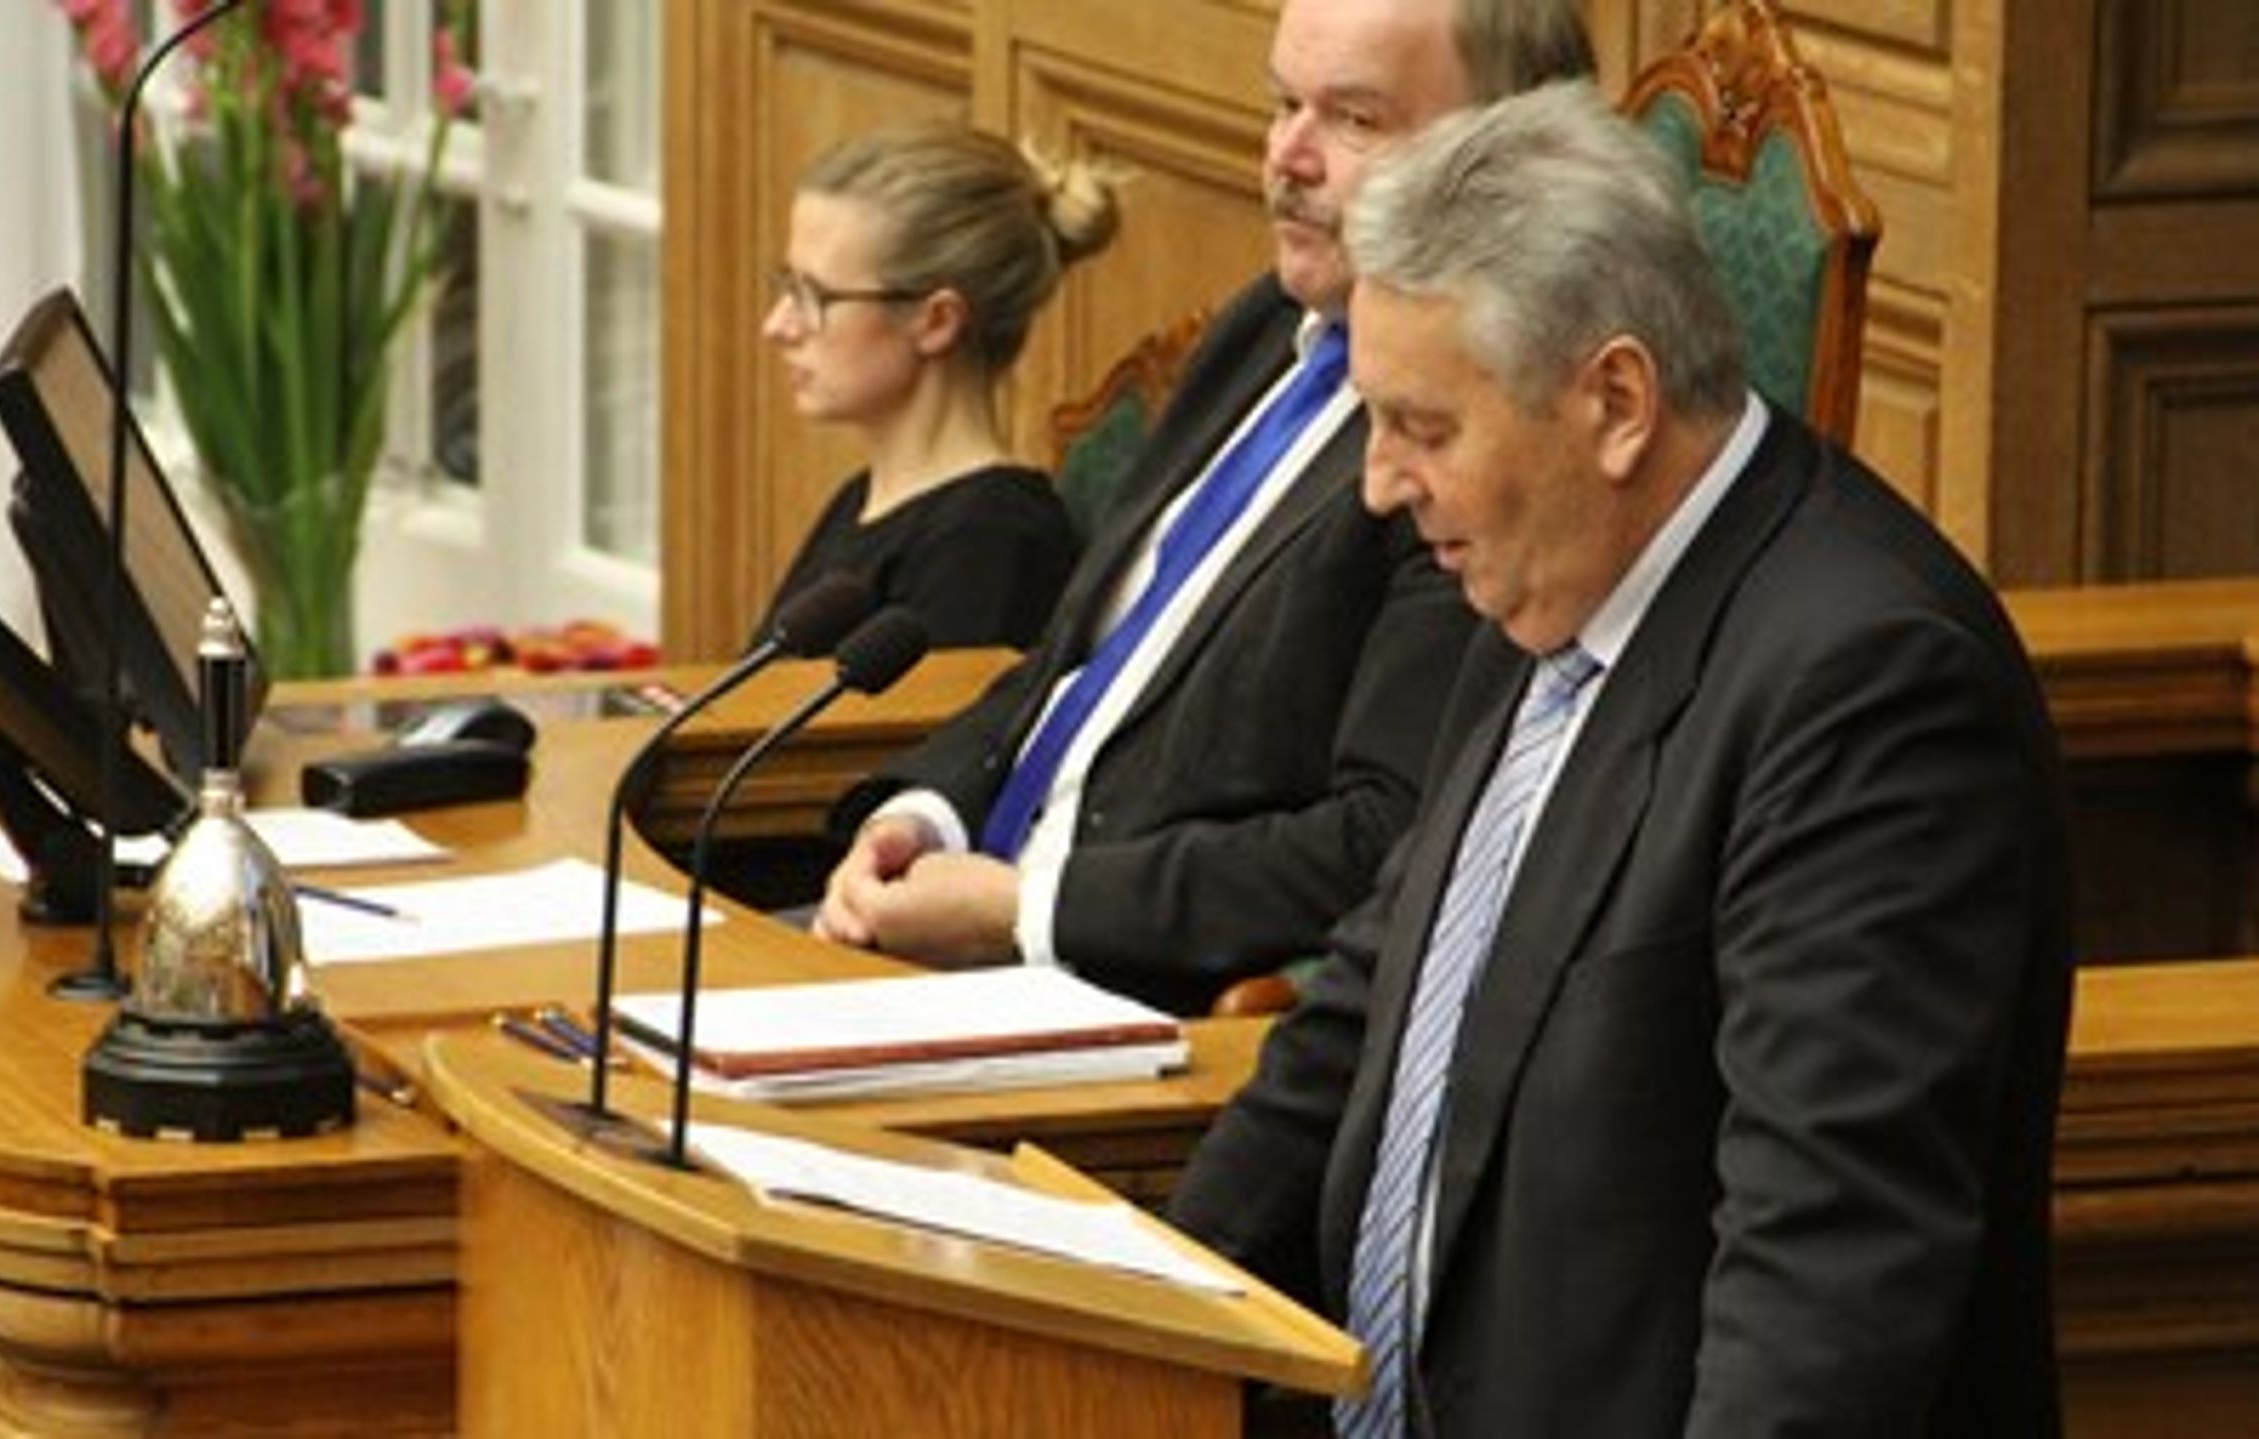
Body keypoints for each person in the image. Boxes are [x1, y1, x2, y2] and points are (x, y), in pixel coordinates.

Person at [1169, 81, 2074, 1436]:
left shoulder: (1868, 685)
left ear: (1615, 402)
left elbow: (1824, 1283)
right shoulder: (1552, 565)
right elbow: (1371, 1003)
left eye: (1421, 426)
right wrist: (1152, 1322)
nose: (1377, 482)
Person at [813, 0, 1598, 1017]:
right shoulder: (1273, 324)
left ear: (1510, 152)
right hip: (958, 932)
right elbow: (1078, 665)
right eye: (1281, 105)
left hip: (1129, 1007)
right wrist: (923, 817)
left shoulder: (1478, 447)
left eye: (1354, 120)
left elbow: (1384, 836)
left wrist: (1029, 907)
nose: (1287, 158)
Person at [754, 122, 1114, 652]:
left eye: (815, 296)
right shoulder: (859, 500)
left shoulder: (991, 544)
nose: (777, 325)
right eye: (786, 286)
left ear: (936, 322)